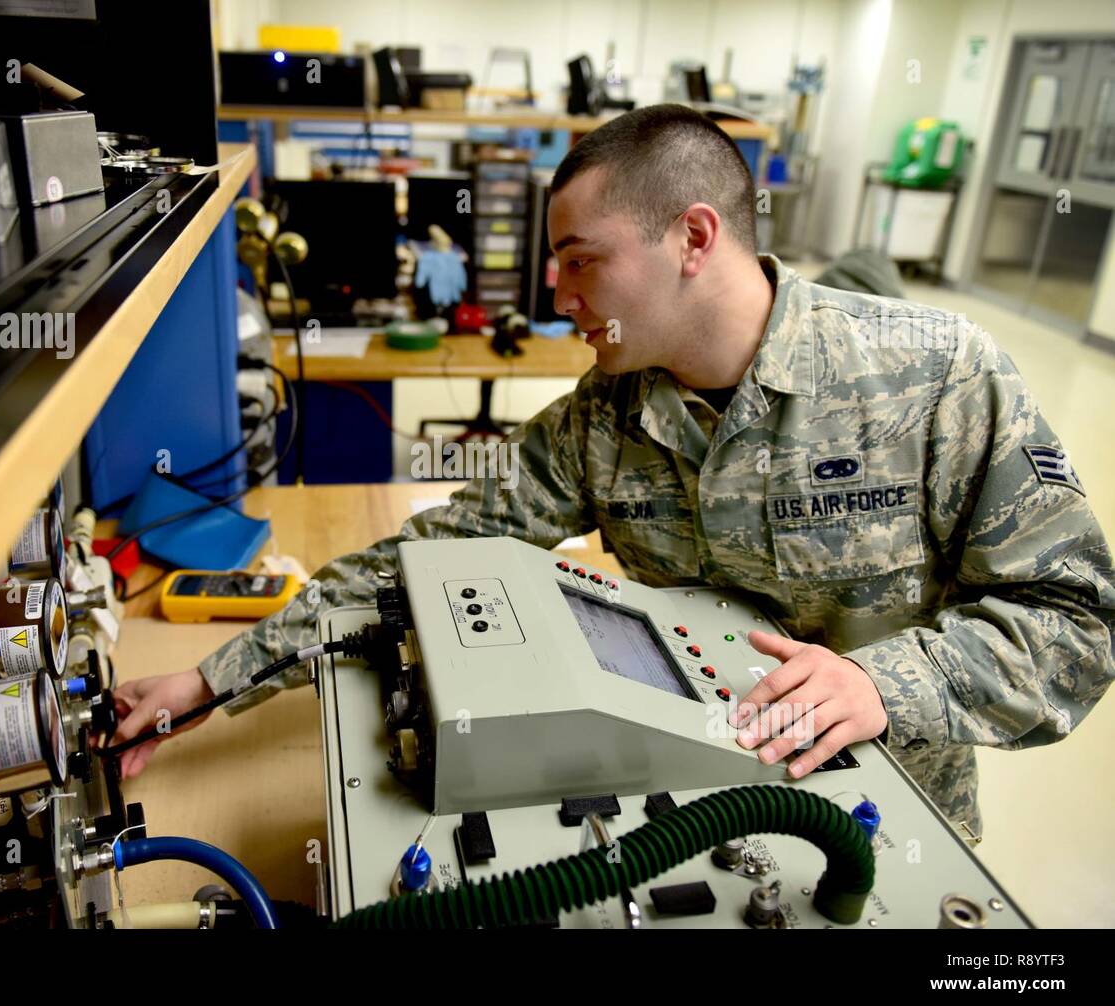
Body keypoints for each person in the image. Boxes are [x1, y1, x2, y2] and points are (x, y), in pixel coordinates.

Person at [111, 104, 1115, 839]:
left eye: (579, 260)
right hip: (687, 813)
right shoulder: (606, 417)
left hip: (888, 821)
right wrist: (212, 675)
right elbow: (427, 551)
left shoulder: (937, 373)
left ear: (692, 238)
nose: (554, 297)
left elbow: (1077, 622)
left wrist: (882, 680)